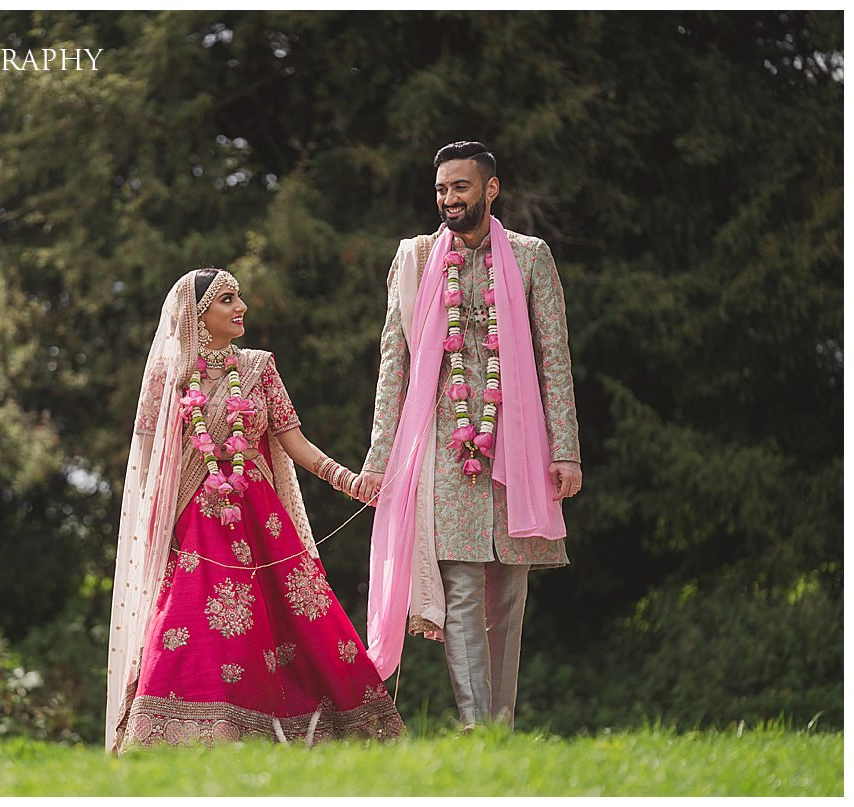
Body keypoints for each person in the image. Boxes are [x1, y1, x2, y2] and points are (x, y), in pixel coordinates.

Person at [106, 268, 405, 753]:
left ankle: (316, 734)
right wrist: (161, 529)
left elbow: (294, 444)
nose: (241, 306)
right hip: (197, 526)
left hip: (262, 521)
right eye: (227, 299)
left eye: (239, 297)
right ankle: (180, 739)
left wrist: (349, 481)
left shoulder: (259, 368)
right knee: (200, 630)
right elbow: (147, 461)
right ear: (198, 315)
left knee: (298, 622)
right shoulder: (170, 373)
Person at [354, 141, 582, 731]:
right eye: (441, 190)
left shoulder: (532, 258)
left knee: (506, 595)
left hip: (517, 446)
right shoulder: (414, 260)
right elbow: (394, 363)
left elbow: (553, 356)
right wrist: (379, 460)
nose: (449, 200)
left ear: (490, 188)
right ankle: (478, 729)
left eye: (460, 187)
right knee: (459, 594)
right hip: (442, 451)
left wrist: (566, 452)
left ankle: (499, 727)